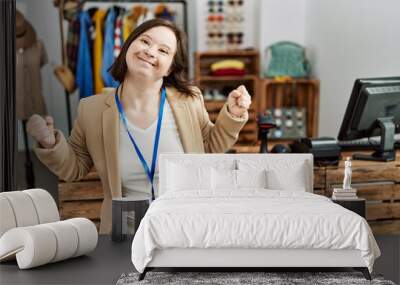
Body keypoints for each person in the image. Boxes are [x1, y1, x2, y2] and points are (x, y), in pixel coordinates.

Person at [27, 19, 251, 234]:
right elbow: (74, 168)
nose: (151, 52)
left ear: (171, 68)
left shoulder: (189, 101)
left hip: (185, 225)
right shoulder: (91, 109)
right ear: (127, 47)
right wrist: (50, 142)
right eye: (145, 41)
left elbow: (210, 147)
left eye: (163, 50)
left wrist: (233, 114)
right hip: (127, 231)